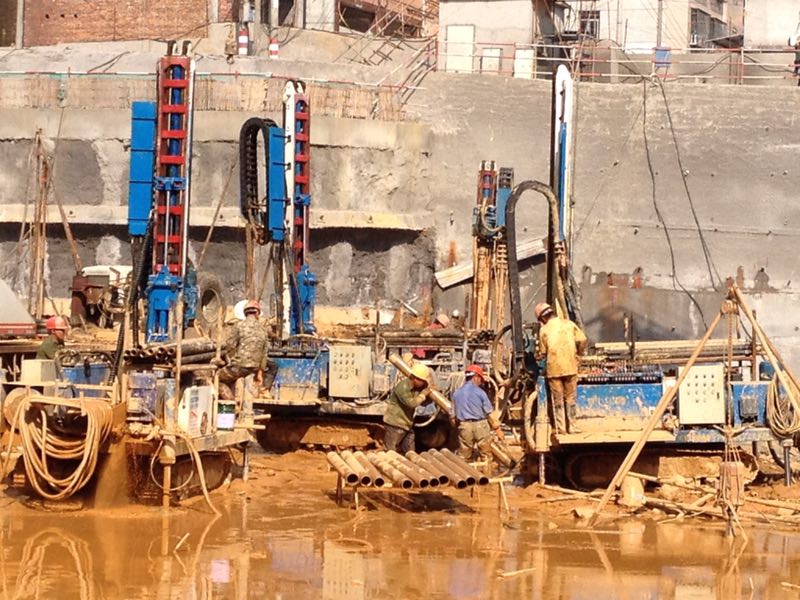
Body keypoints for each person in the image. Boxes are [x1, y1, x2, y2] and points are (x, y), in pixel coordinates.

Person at [535, 302, 587, 434]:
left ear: (542, 318)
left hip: (554, 369)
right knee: (570, 398)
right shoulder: (568, 324)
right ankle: (572, 426)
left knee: (557, 399)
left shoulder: (544, 330)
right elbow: (583, 340)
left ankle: (561, 428)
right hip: (570, 366)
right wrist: (579, 354)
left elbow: (543, 352)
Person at [218, 300, 270, 400]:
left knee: (216, 377)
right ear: (257, 313)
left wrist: (225, 358)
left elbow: (230, 346)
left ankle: (231, 402)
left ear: (245, 313)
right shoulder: (263, 330)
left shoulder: (239, 325)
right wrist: (260, 373)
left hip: (239, 367)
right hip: (254, 368)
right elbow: (264, 354)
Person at [452, 364, 501, 461]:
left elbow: (452, 416)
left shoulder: (456, 393)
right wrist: (498, 429)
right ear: (476, 377)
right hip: (480, 426)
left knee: (463, 456)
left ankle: (464, 469)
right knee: (486, 455)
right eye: (480, 380)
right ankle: (486, 469)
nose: (480, 383)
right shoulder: (480, 393)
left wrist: (458, 427)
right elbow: (489, 413)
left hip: (465, 426)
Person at [383, 362, 433, 453]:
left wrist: (430, 396)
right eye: (423, 381)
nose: (424, 384)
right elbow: (412, 403)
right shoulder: (402, 387)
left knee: (410, 452)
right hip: (395, 424)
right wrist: (423, 395)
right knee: (390, 451)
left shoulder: (415, 389)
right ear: (415, 379)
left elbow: (421, 402)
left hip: (407, 424)